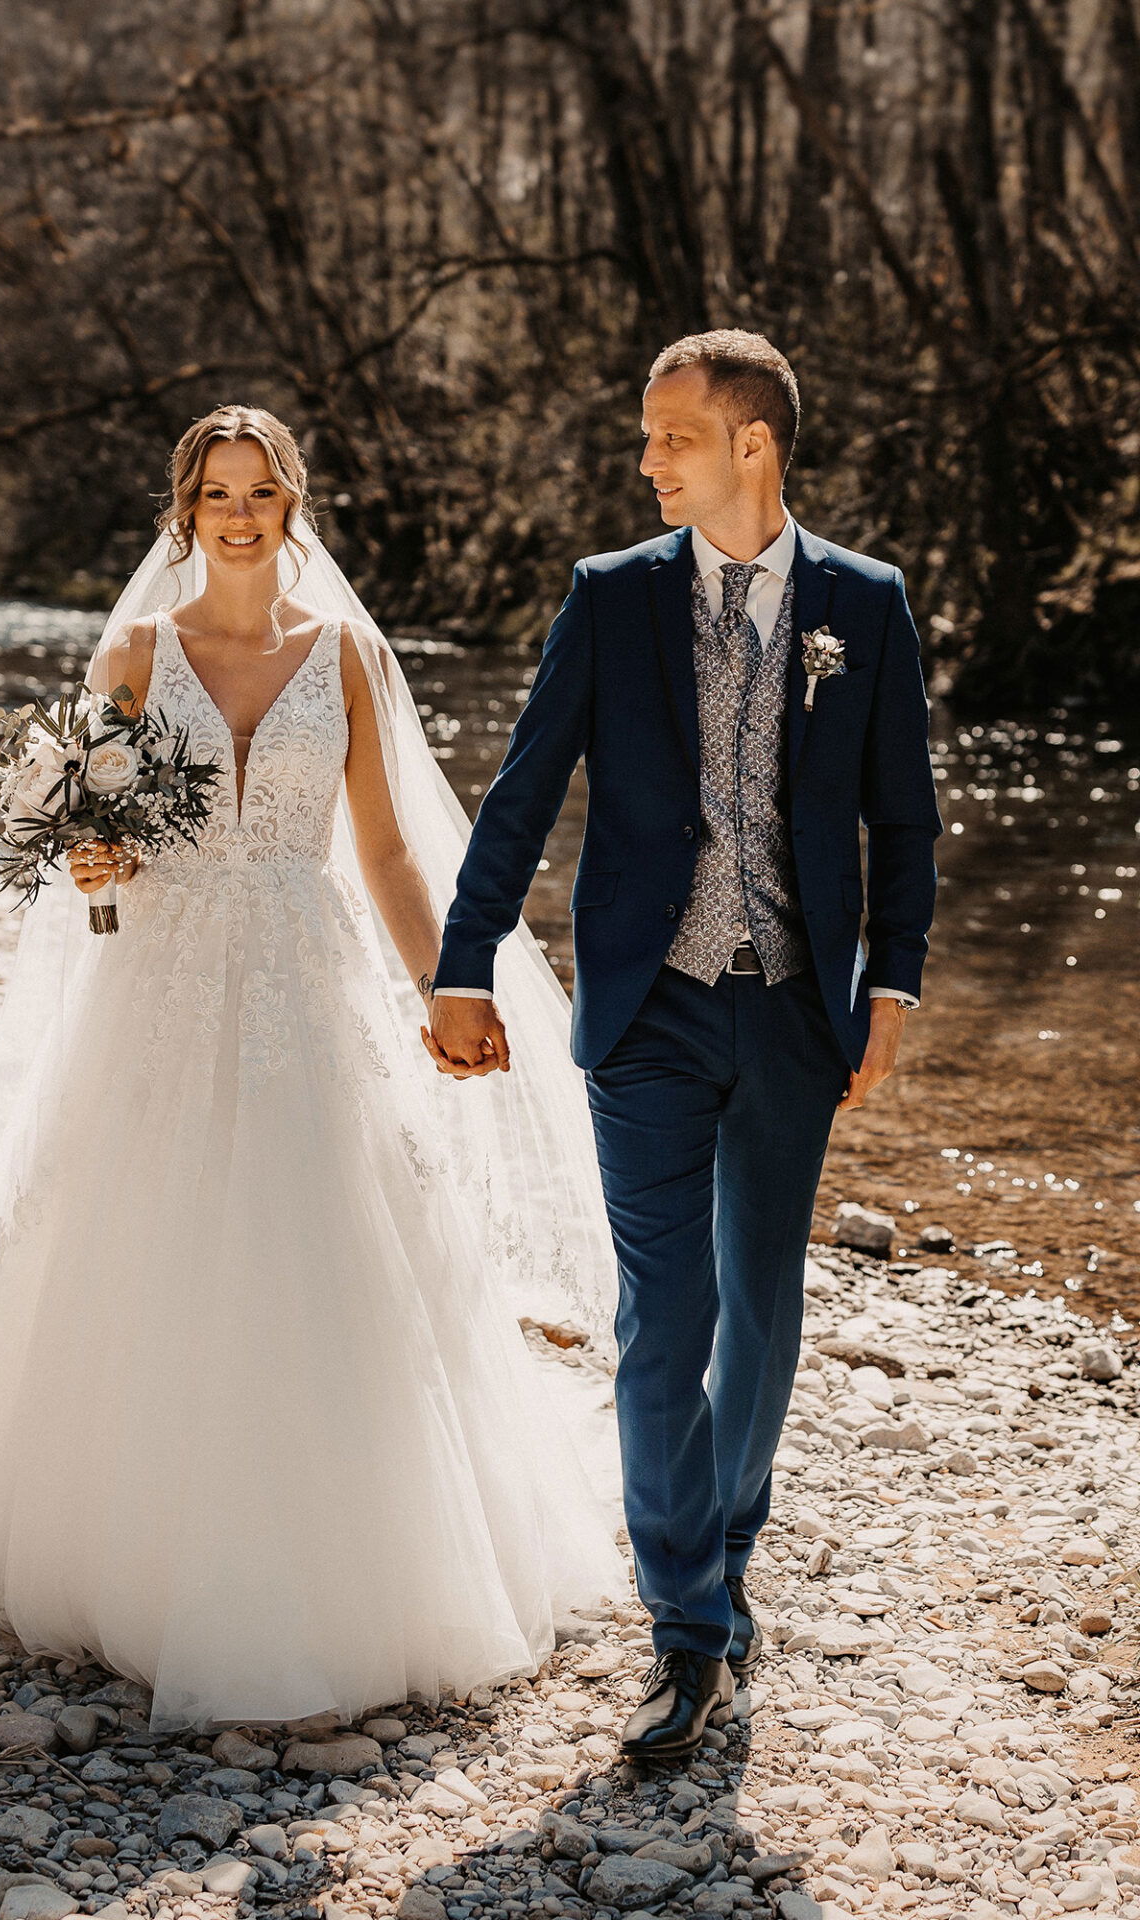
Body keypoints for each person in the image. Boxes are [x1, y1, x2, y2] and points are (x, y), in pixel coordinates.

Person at [0, 406, 627, 1733]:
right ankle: (125, 1541)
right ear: (183, 509)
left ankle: (333, 1558)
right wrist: (95, 865)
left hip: (298, 983)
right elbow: (93, 853)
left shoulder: (343, 657)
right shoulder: (135, 649)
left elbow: (386, 856)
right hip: (158, 987)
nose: (235, 512)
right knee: (138, 1232)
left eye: (258, 492)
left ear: (292, 507)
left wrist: (449, 986)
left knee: (316, 1236)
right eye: (214, 492)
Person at [429, 331, 943, 1761]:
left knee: (763, 1311)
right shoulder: (609, 601)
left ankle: (724, 1542)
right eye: (647, 436)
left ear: (752, 447)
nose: (647, 458)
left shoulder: (866, 605)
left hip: (793, 1010)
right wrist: (461, 965)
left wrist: (889, 988)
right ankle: (687, 1623)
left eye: (671, 435)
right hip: (646, 1008)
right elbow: (524, 792)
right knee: (666, 1319)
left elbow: (903, 818)